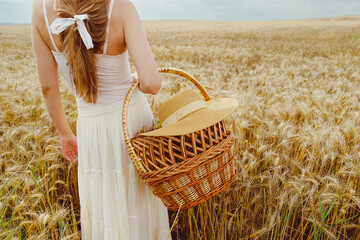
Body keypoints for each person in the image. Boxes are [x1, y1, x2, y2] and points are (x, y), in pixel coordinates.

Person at [31, 0, 172, 239]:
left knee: (104, 205)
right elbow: (151, 83)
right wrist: (135, 77)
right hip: (131, 122)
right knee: (138, 202)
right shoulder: (122, 7)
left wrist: (65, 135)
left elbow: (47, 88)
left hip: (91, 127)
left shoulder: (39, 9)